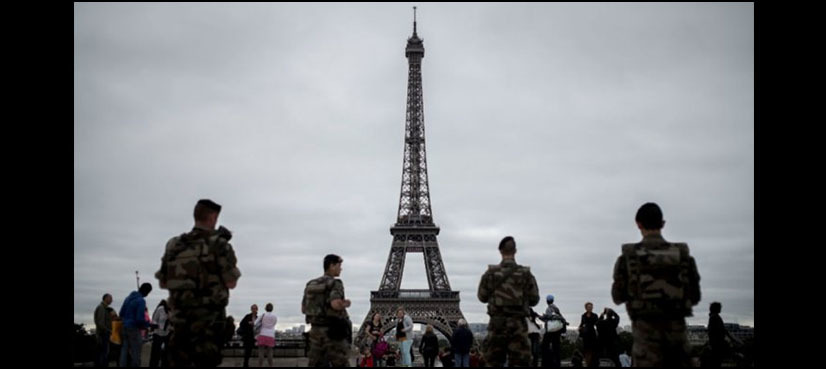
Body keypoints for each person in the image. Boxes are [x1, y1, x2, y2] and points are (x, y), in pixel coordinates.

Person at [612, 202, 701, 367]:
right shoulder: (682, 257)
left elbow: (617, 297)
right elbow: (695, 296)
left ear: (638, 224)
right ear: (662, 223)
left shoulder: (628, 258)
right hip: (678, 343)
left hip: (646, 344)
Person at [155, 198, 242, 367]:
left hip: (179, 326)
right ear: (213, 217)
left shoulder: (174, 245)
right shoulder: (219, 245)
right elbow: (231, 282)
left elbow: (164, 283)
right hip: (207, 329)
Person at [477, 236, 540, 367]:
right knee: (520, 362)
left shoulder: (491, 274)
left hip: (497, 325)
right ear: (515, 251)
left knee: (493, 362)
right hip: (518, 325)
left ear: (500, 251)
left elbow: (482, 297)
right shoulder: (525, 274)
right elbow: (534, 299)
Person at [302, 254, 353, 367]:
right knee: (341, 363)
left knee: (316, 363)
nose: (341, 268)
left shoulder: (311, 284)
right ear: (332, 266)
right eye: (339, 265)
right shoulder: (335, 283)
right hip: (333, 332)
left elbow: (303, 308)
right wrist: (346, 303)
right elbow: (335, 304)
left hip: (315, 331)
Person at [119, 283, 152, 367]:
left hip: (124, 327)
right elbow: (139, 319)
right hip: (133, 328)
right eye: (148, 292)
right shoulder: (141, 301)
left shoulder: (127, 298)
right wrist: (148, 324)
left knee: (124, 351)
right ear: (146, 291)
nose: (147, 294)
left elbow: (121, 313)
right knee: (136, 352)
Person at [705, 302, 742, 367]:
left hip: (716, 343)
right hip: (718, 343)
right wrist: (733, 339)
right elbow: (723, 330)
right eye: (719, 307)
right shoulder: (715, 317)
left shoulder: (713, 317)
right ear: (716, 308)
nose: (721, 309)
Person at [538, 294, 567, 368]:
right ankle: (557, 363)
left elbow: (548, 318)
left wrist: (541, 317)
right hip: (557, 331)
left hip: (550, 330)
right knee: (556, 347)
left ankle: (546, 362)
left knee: (544, 346)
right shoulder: (556, 308)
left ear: (547, 301)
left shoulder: (548, 309)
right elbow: (560, 317)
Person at [149, 299, 171, 367]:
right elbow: (154, 320)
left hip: (167, 334)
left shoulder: (172, 311)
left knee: (166, 354)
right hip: (158, 333)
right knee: (155, 353)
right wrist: (156, 325)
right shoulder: (160, 309)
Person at [94, 293, 114, 367]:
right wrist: (109, 331)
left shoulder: (106, 308)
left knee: (102, 353)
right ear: (106, 298)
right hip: (103, 334)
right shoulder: (101, 308)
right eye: (111, 298)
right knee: (103, 353)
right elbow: (100, 323)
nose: (112, 300)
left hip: (104, 333)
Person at [256, 303, 278, 367]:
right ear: (272, 309)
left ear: (265, 308)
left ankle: (260, 365)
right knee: (270, 352)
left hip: (262, 334)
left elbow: (255, 323)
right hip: (271, 335)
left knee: (261, 352)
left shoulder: (262, 315)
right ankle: (270, 365)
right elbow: (274, 324)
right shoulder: (274, 317)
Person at [579, 302, 599, 367]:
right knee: (587, 351)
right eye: (589, 307)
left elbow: (598, 324)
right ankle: (588, 364)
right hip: (585, 335)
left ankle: (592, 364)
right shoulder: (583, 315)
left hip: (592, 334)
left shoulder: (595, 315)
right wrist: (580, 328)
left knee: (593, 350)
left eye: (591, 307)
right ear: (586, 308)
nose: (590, 308)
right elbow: (582, 324)